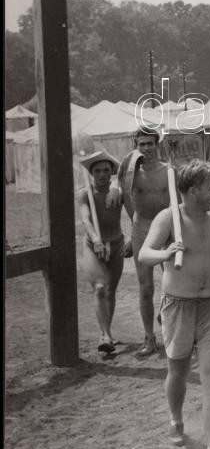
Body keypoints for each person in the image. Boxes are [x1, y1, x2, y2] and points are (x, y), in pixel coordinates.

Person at [138, 160, 210, 449]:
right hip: (178, 306)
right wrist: (166, 253)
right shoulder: (169, 218)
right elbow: (144, 254)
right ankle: (176, 418)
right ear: (193, 190)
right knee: (178, 372)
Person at [118, 126, 171, 357]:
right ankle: (149, 337)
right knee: (146, 287)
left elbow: (177, 203)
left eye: (150, 144)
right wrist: (133, 232)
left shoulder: (168, 170)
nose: (147, 148)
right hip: (141, 229)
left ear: (157, 145)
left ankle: (167, 316)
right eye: (142, 144)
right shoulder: (131, 174)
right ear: (136, 147)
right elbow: (123, 196)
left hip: (166, 228)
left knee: (173, 281)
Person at [78, 149, 129, 354]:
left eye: (106, 170)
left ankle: (107, 332)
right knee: (99, 287)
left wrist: (116, 186)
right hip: (93, 245)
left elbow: (134, 213)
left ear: (111, 172)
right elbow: (85, 219)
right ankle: (105, 335)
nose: (102, 174)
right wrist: (96, 239)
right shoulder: (85, 193)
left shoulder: (119, 192)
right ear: (91, 173)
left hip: (116, 244)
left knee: (110, 290)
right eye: (97, 171)